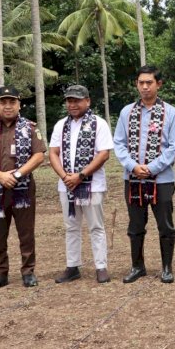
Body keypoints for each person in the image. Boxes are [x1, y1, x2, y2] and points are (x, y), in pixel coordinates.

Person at [0, 86, 46, 290]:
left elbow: (39, 155)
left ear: (19, 104)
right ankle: (0, 272)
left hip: (22, 187)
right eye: (3, 102)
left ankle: (28, 271)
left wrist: (17, 174)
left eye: (12, 102)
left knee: (26, 231)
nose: (7, 106)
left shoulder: (30, 127)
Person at [114, 66, 175, 283]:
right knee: (135, 225)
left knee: (165, 225)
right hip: (133, 179)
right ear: (137, 84)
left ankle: (167, 267)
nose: (145, 87)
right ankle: (137, 266)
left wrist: (152, 168)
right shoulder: (127, 112)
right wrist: (133, 166)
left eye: (149, 82)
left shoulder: (170, 112)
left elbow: (174, 147)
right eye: (141, 82)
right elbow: (119, 143)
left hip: (161, 179)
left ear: (158, 84)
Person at [49, 85, 114, 284]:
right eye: (69, 100)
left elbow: (104, 154)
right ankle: (72, 266)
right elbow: (53, 152)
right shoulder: (61, 125)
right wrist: (65, 176)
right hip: (66, 185)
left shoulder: (99, 124)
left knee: (96, 226)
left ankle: (101, 267)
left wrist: (81, 175)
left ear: (87, 101)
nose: (73, 104)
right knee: (71, 227)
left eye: (77, 100)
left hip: (92, 184)